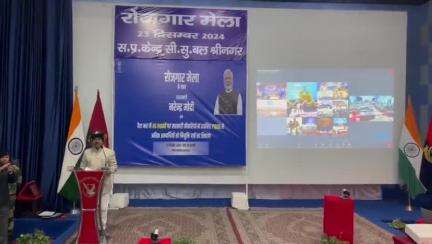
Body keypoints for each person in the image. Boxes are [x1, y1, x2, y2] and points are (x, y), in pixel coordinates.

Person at [80, 131, 117, 237]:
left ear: (102, 141)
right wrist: (83, 170)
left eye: (99, 139)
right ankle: (92, 227)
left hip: (104, 185)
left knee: (103, 208)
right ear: (91, 141)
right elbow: (82, 167)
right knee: (92, 208)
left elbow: (114, 167)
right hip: (90, 187)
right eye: (94, 139)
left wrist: (108, 169)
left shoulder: (109, 152)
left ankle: (102, 228)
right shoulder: (87, 152)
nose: (96, 141)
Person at [0, 151, 18, 244]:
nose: (6, 159)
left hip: (4, 201)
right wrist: (3, 167)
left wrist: (10, 171)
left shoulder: (7, 170)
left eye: (7, 157)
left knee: (4, 228)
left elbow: (12, 180)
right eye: (4, 157)